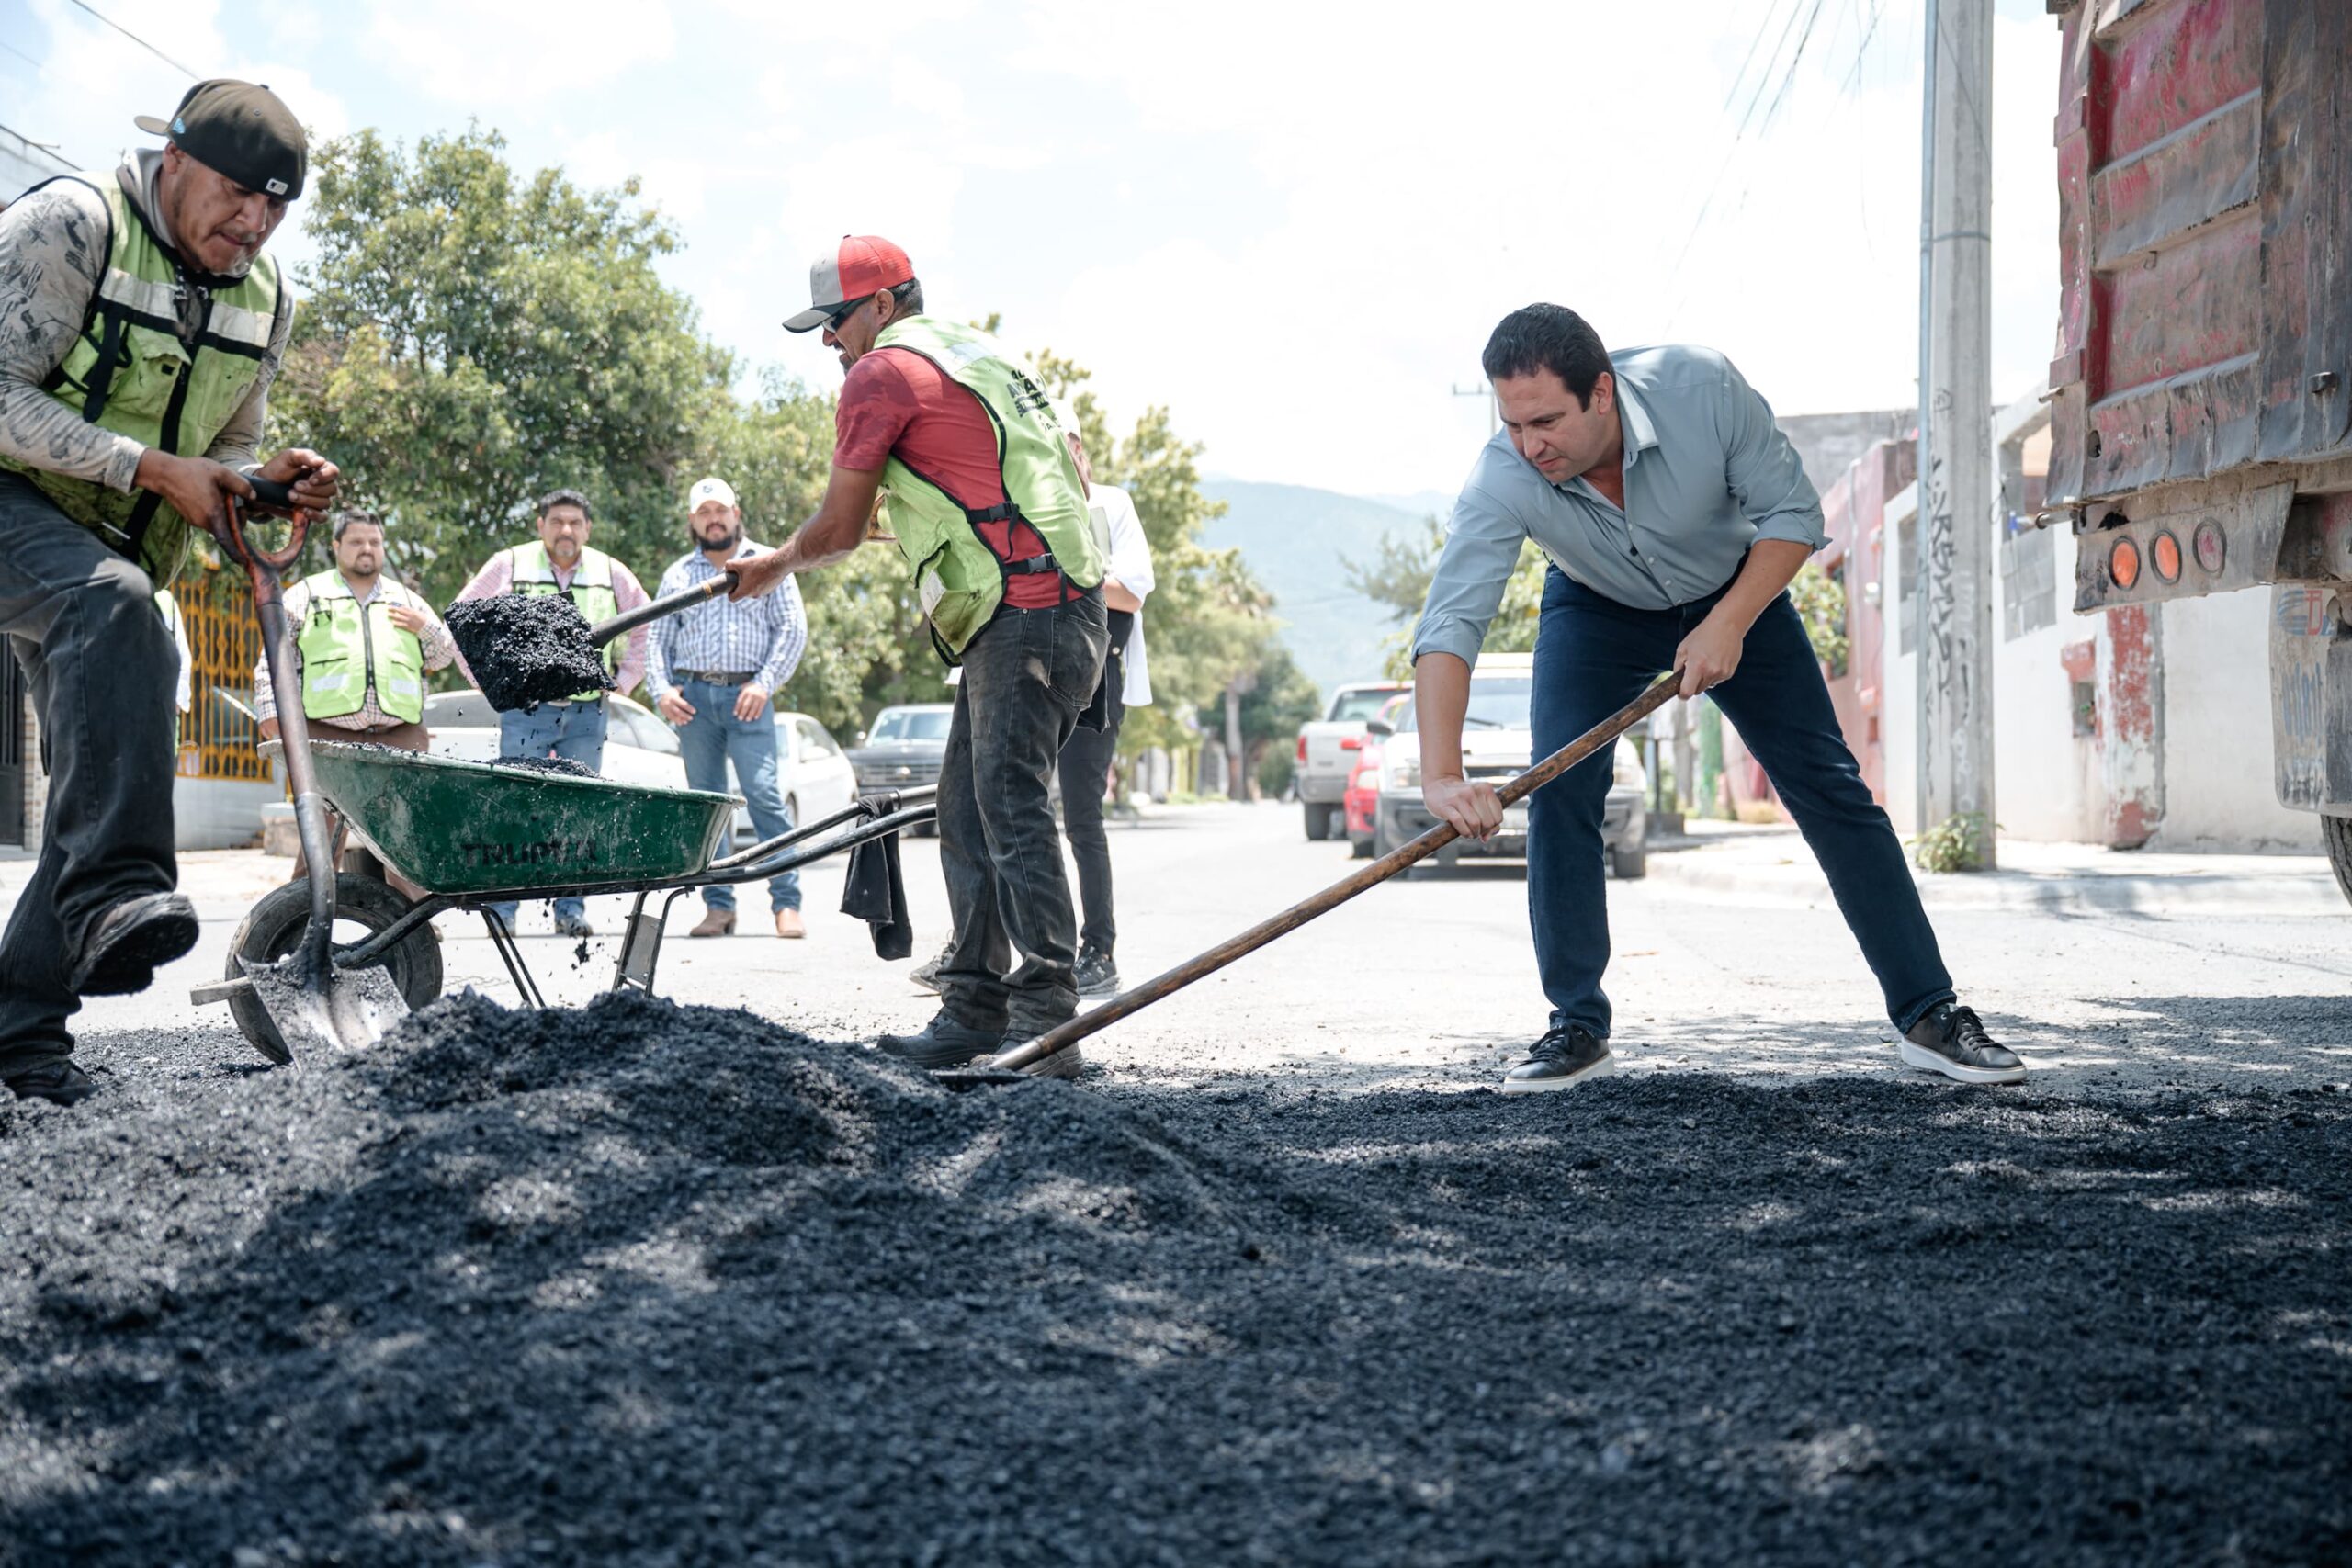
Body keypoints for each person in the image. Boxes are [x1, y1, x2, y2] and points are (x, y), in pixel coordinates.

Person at [1411, 304, 2024, 1094]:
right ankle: (1576, 1026)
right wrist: (1441, 774)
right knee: (1561, 790)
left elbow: (1794, 514)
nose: (1531, 446)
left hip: (1737, 591)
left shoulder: (1701, 387)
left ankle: (1930, 1013)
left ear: (1602, 393)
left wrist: (1728, 623)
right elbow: (1451, 621)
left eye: (1547, 421)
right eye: (1514, 425)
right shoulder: (1504, 475)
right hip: (1594, 606)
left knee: (1830, 787)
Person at [0, 80, 339, 1105]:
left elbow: (229, 441)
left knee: (102, 787)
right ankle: (117, 895)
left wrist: (260, 480)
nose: (254, 223)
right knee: (117, 608)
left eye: (275, 207)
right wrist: (149, 468)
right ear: (176, 161)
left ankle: (20, 1040)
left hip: (104, 554)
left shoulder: (265, 296)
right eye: (237, 194)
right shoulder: (73, 226)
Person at [731, 235, 1110, 1077]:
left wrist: (774, 564)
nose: (829, 342)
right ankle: (974, 1009)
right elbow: (1033, 482)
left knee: (1008, 806)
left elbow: (836, 530)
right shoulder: (981, 357)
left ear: (881, 304)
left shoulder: (882, 372)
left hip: (1025, 611)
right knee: (967, 810)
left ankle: (1047, 1025)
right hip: (1055, 605)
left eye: (834, 321)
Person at [453, 488, 650, 938]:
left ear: (588, 529)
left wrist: (624, 681)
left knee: (578, 811)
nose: (566, 530)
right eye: (557, 521)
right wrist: (487, 681)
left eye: (575, 522)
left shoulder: (611, 571)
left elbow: (645, 625)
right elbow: (462, 618)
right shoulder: (509, 564)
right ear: (540, 525)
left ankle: (570, 911)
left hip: (587, 714)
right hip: (526, 711)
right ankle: (503, 912)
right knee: (514, 808)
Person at [254, 514, 454, 897]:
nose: (367, 550)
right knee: (321, 837)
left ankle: (415, 920)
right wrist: (271, 712)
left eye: (374, 543)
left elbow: (444, 656)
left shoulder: (406, 599)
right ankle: (306, 915)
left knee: (403, 838)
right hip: (326, 735)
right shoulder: (307, 595)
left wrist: (423, 626)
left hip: (399, 735)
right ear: (336, 546)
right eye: (357, 542)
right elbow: (274, 658)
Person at [646, 476, 809, 938]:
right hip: (693, 702)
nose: (713, 519)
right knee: (708, 805)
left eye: (721, 510)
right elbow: (657, 637)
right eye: (704, 512)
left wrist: (765, 683)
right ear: (692, 521)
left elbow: (792, 629)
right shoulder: (678, 575)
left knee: (765, 796)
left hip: (748, 698)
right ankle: (718, 906)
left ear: (736, 514)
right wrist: (662, 691)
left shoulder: (769, 564)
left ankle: (787, 904)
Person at [1057, 428, 1153, 997]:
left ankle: (1099, 949)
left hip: (1094, 678)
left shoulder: (1111, 504)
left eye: (1070, 449)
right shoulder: (1014, 500)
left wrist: (1061, 573)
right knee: (995, 812)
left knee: (1082, 818)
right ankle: (981, 951)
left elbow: (1131, 593)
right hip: (1023, 669)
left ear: (1080, 451)